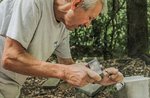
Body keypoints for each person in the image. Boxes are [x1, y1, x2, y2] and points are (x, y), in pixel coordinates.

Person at [0, 0, 124, 97]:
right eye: (90, 18)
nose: (87, 25)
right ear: (76, 3)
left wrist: (99, 77)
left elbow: (67, 65)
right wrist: (65, 72)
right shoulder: (34, 2)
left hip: (10, 88)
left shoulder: (64, 26)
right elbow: (11, 58)